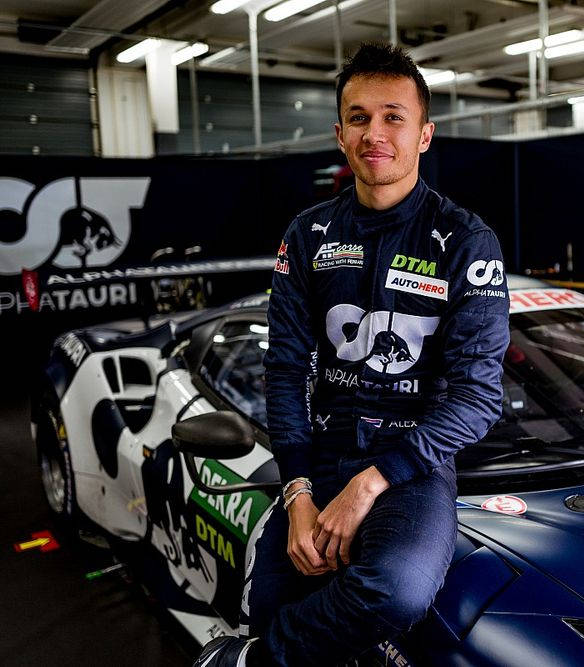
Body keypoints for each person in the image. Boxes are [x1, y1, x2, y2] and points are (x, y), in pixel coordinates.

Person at [194, 42, 510, 666]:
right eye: (359, 118)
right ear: (340, 134)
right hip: (319, 454)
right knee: (274, 607)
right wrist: (299, 491)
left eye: (394, 116)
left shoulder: (467, 241)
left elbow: (478, 397)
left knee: (396, 591)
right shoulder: (308, 234)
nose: (376, 133)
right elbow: (283, 371)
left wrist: (371, 482)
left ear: (425, 134)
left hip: (411, 469)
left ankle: (248, 662)